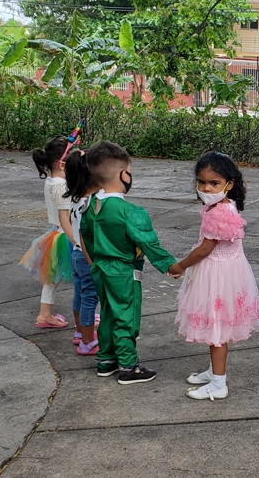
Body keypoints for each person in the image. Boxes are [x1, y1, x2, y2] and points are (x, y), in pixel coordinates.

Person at [71, 141, 183, 384]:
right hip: (124, 271)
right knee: (126, 316)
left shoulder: (91, 207)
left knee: (109, 313)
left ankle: (106, 360)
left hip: (100, 269)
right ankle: (128, 365)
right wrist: (170, 265)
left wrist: (94, 263)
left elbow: (85, 237)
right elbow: (148, 243)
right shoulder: (131, 211)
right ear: (123, 174)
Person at [173, 152, 259, 400]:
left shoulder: (220, 212)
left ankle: (219, 383)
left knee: (216, 329)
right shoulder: (217, 205)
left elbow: (205, 248)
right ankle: (215, 371)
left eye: (214, 183)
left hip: (218, 275)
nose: (206, 188)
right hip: (219, 271)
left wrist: (181, 265)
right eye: (202, 182)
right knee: (213, 325)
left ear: (229, 184)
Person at [20, 136, 74, 329]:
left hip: (56, 235)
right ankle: (85, 315)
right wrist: (75, 241)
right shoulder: (61, 185)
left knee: (52, 280)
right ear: (62, 163)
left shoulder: (53, 180)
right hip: (65, 235)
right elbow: (64, 217)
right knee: (84, 279)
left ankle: (45, 314)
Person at [64, 148, 103, 355]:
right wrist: (93, 261)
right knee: (90, 297)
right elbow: (90, 234)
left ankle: (80, 332)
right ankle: (88, 341)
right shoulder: (92, 203)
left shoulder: (75, 198)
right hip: (87, 256)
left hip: (76, 253)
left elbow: (72, 224)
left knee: (79, 294)